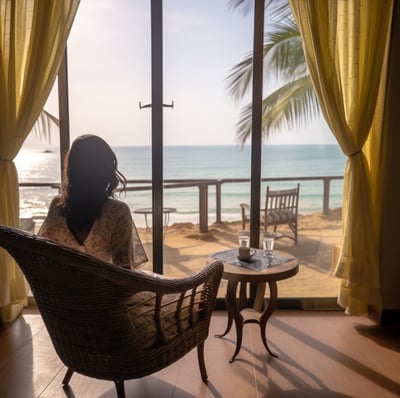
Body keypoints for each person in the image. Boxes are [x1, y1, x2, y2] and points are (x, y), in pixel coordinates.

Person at [38, 134, 147, 269]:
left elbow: (43, 254)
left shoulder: (57, 206)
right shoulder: (117, 211)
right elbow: (124, 270)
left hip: (59, 288)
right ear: (106, 170)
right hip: (103, 289)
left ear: (72, 169)